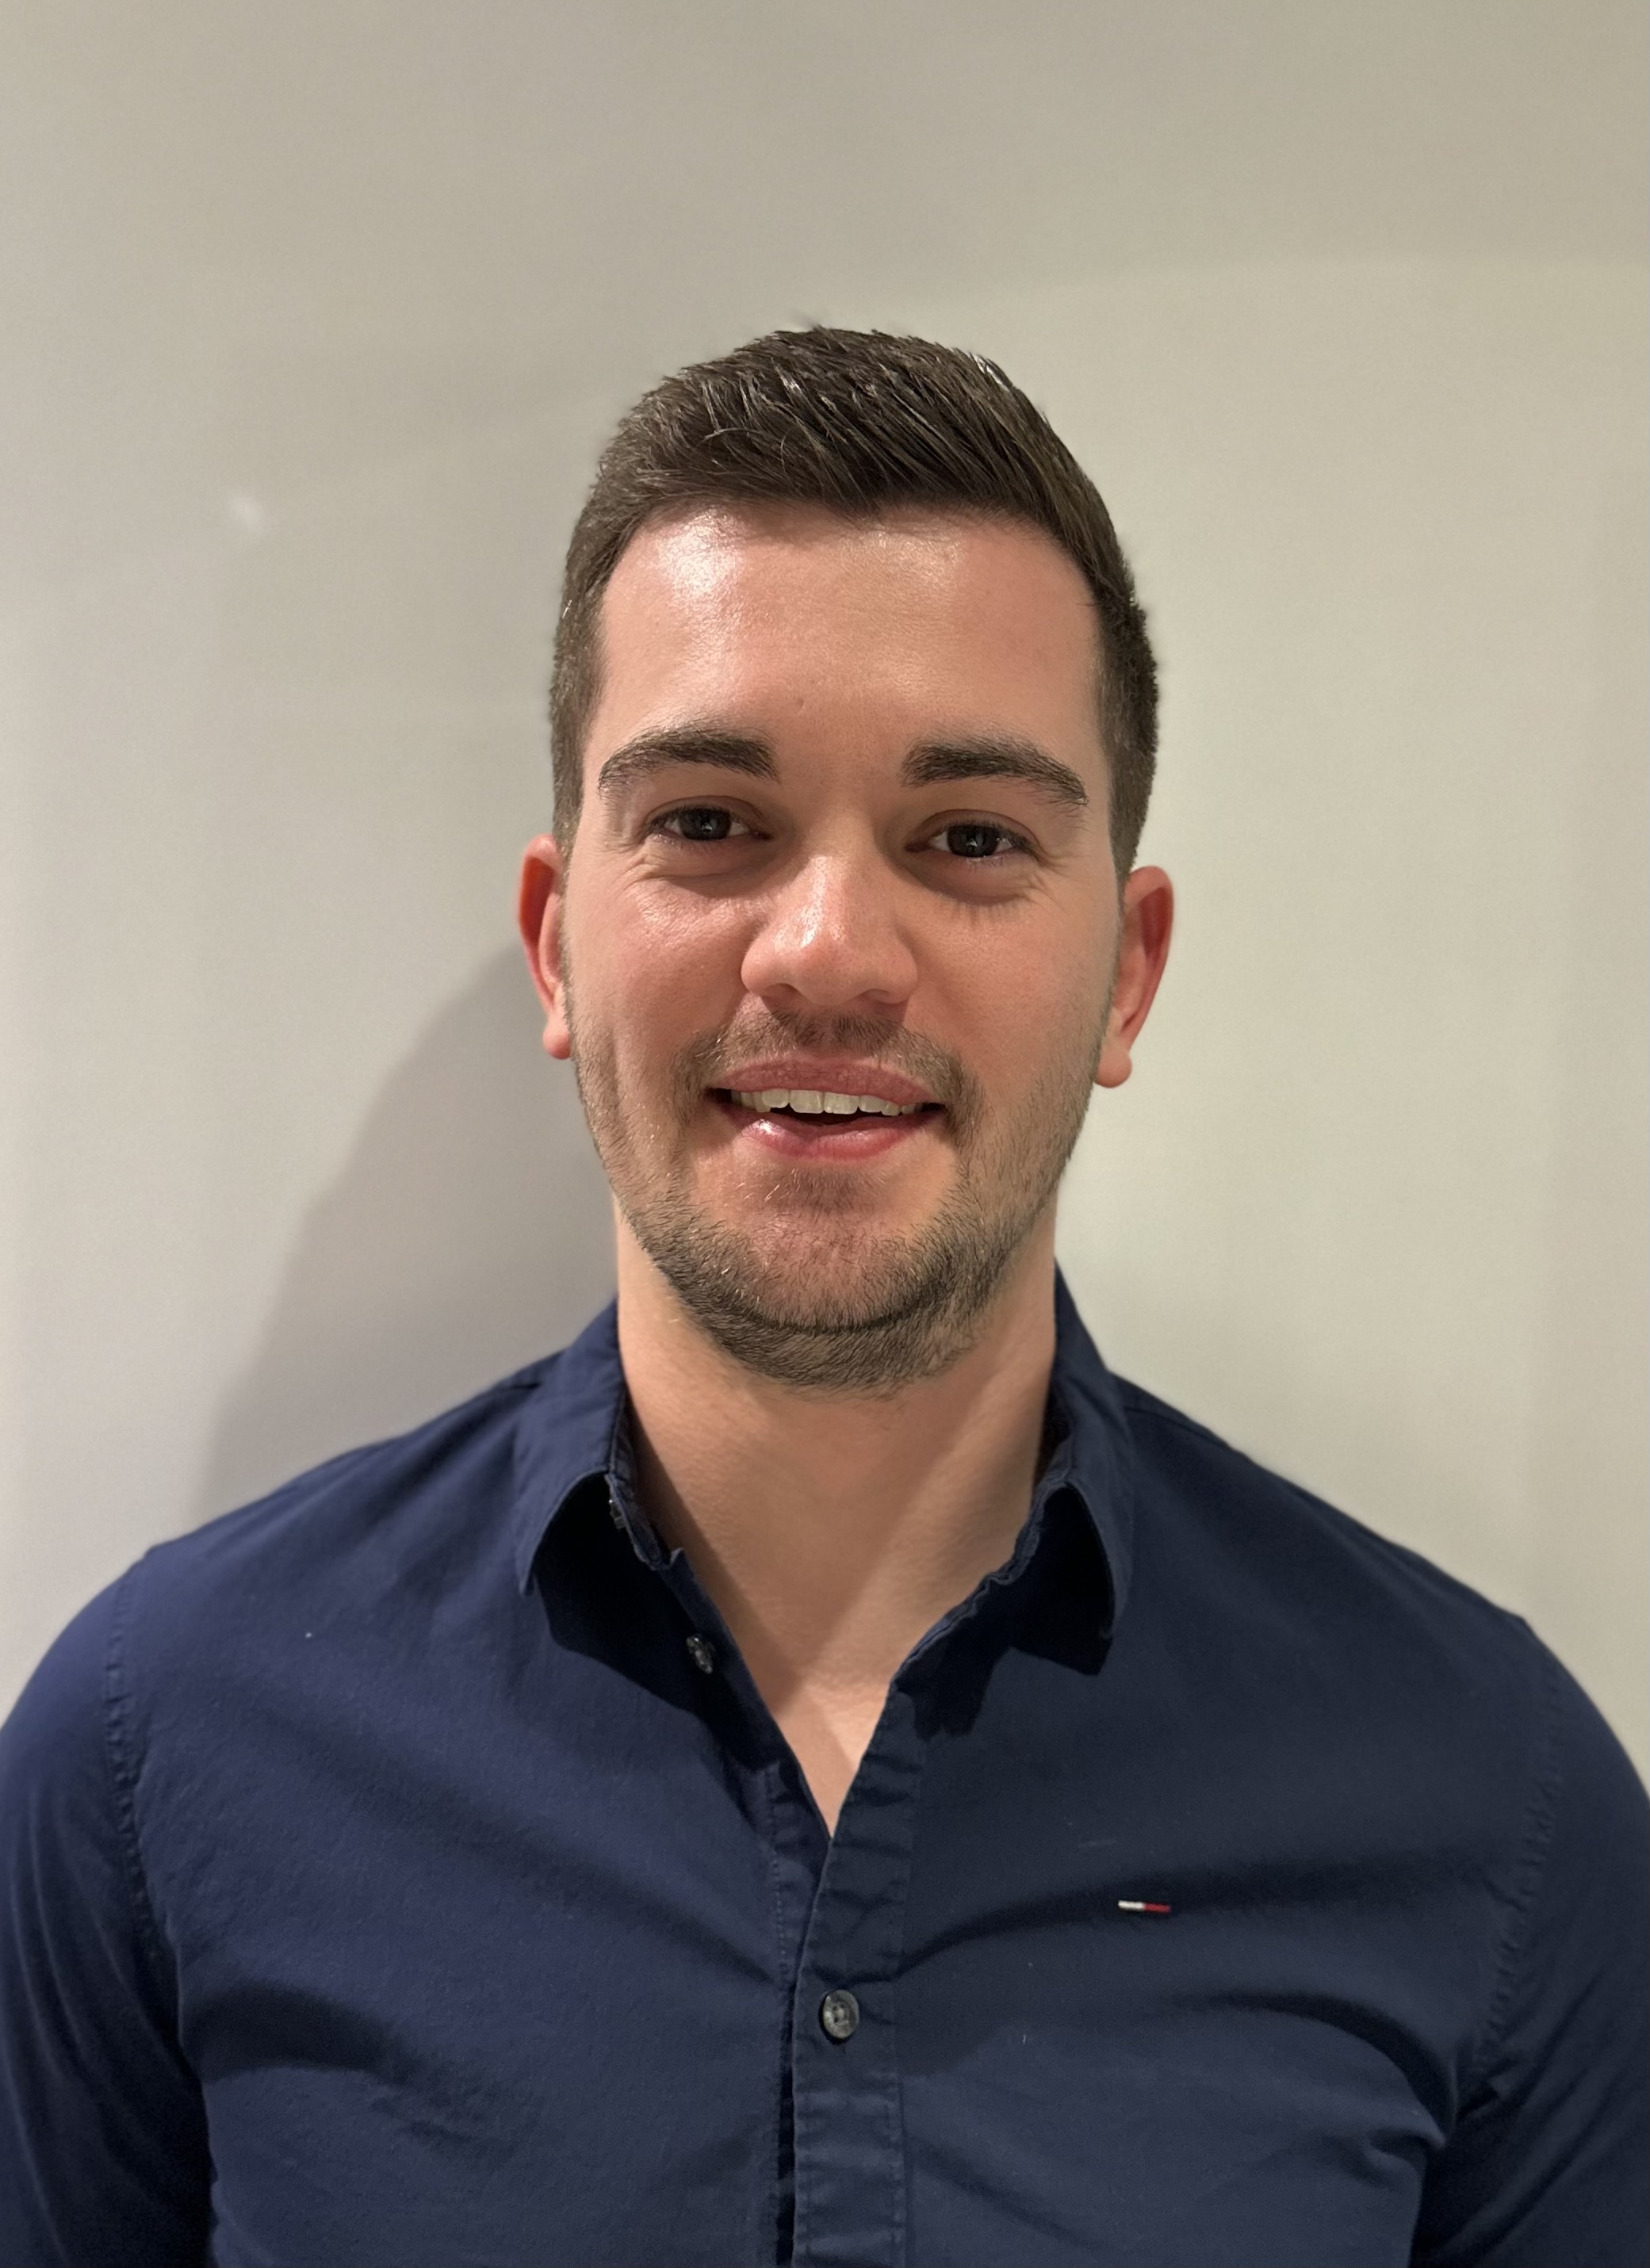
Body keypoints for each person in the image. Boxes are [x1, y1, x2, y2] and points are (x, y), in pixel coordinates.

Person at [1, 327, 1644, 2268]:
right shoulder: (157, 1747)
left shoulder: (1493, 1799)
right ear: (558, 944)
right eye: (710, 821)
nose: (832, 952)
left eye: (971, 839)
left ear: (1126, 975)